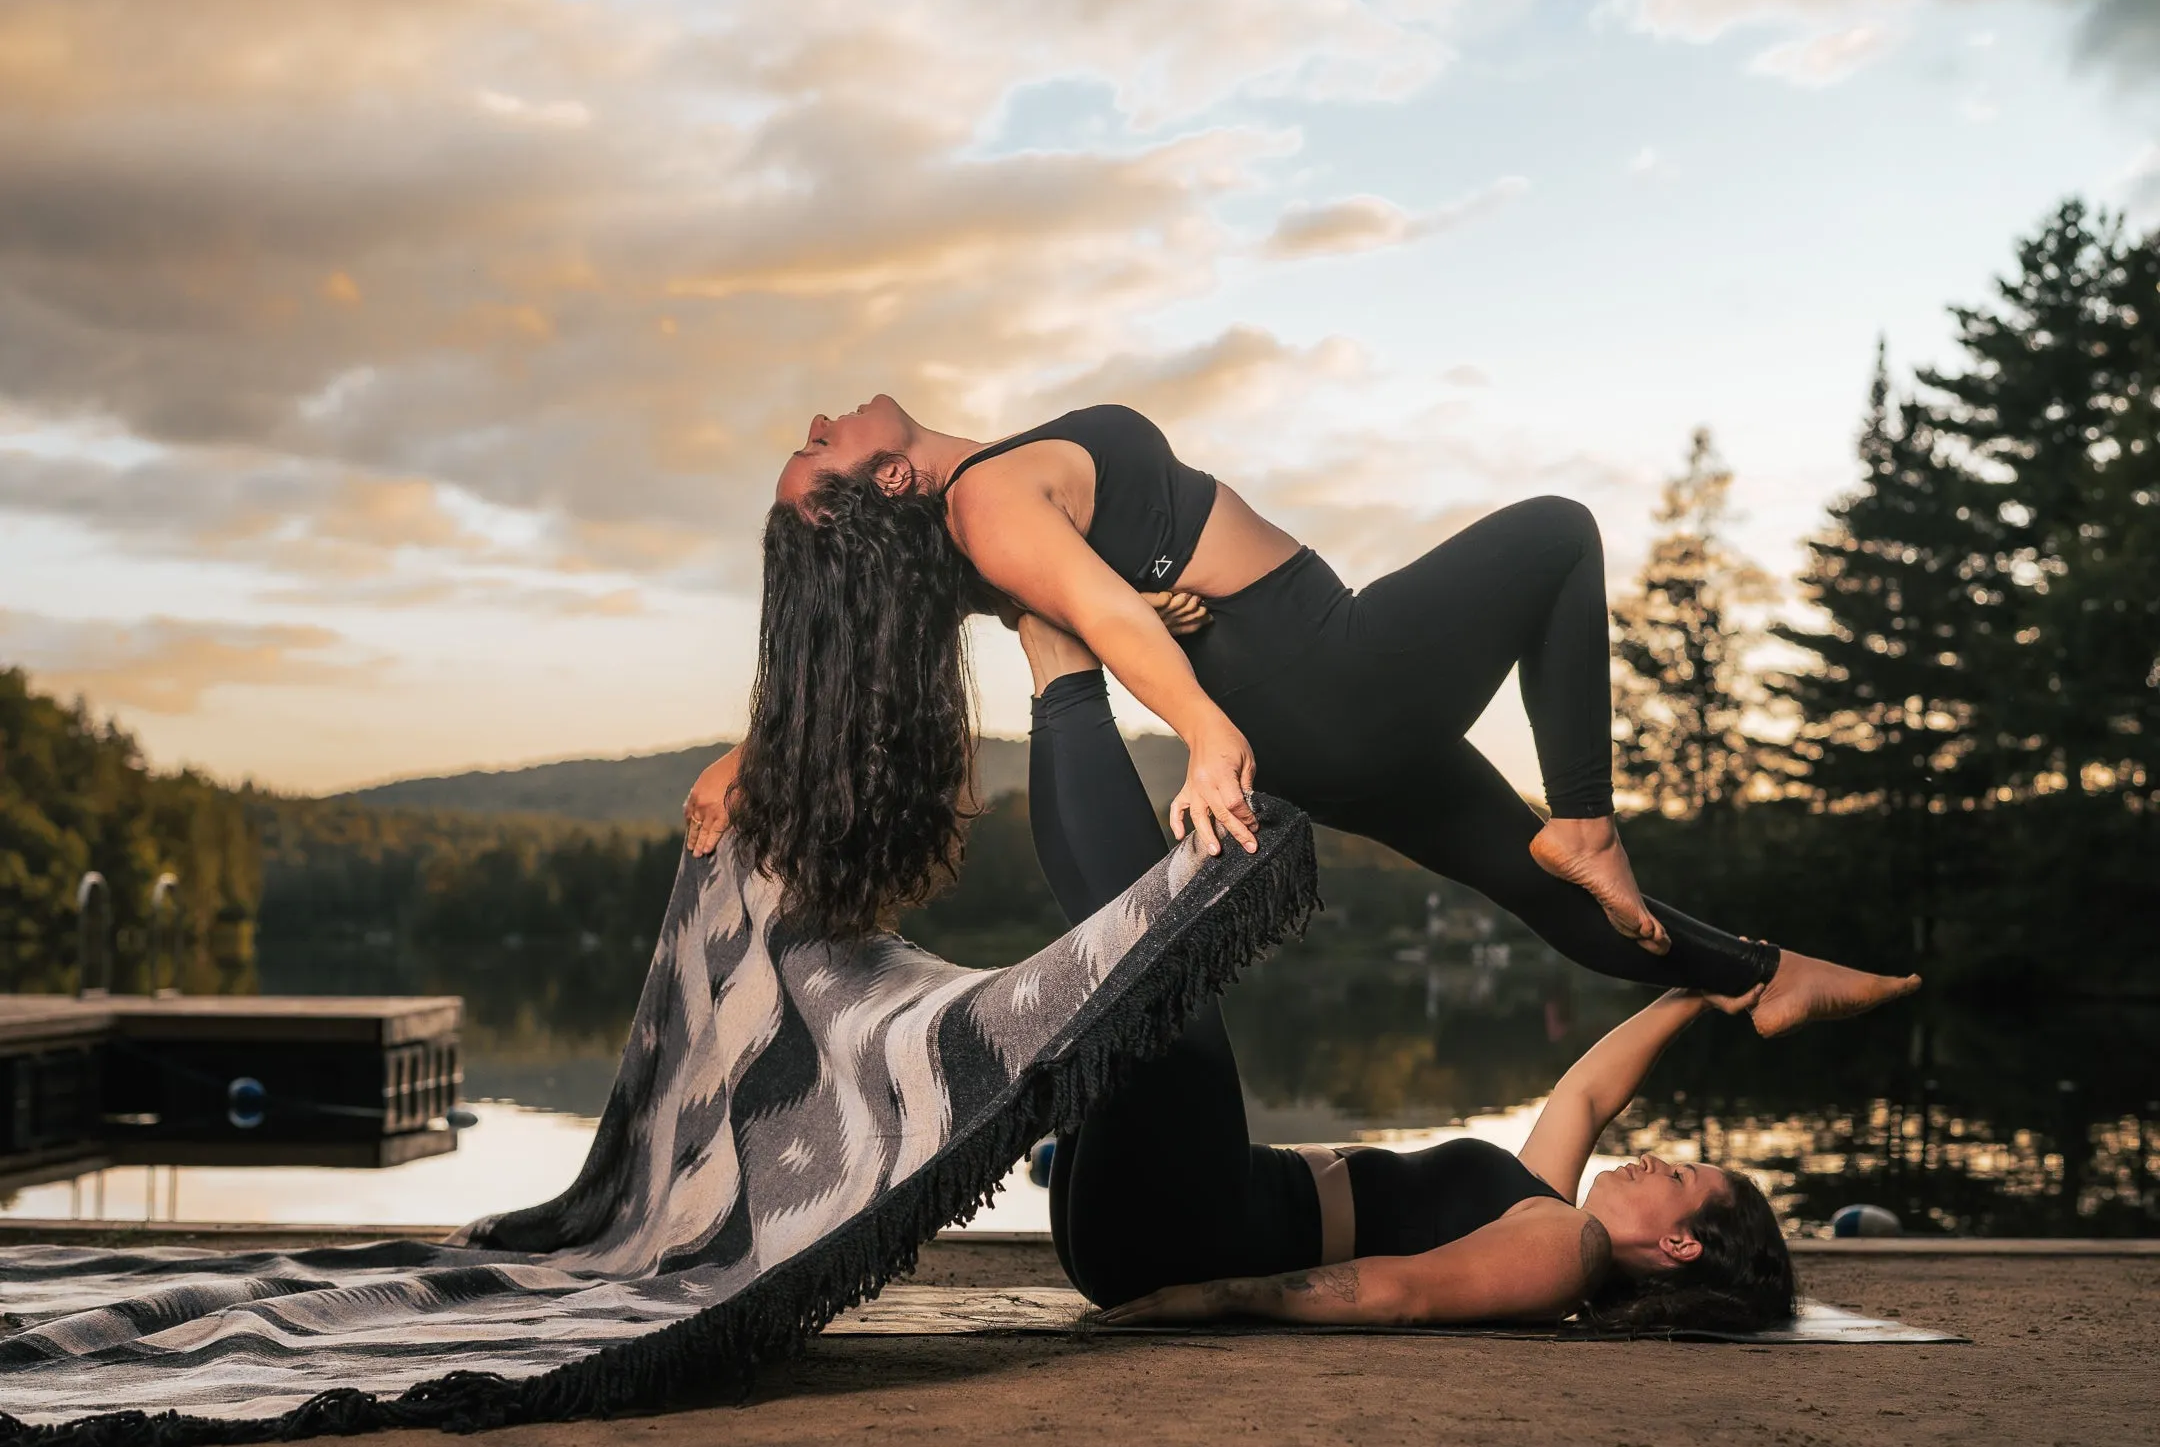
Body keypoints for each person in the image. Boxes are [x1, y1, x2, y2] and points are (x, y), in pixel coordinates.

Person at [685, 394, 1917, 1035]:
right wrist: (1212, 741)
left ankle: (1766, 977)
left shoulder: (979, 525)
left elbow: (873, 654)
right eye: (817, 455)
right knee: (1556, 538)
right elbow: (1113, 629)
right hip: (1327, 672)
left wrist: (762, 746)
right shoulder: (994, 502)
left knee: (1548, 898)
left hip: (1325, 717)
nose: (815, 427)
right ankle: (1588, 820)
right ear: (891, 478)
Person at [1015, 613, 1794, 1332]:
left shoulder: (1571, 1250)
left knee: (1160, 962)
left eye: (1686, 1177)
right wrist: (1702, 985)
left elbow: (1403, 1293)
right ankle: (1055, 658)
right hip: (1158, 1222)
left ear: (1682, 1245)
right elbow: (1588, 1093)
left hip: (1191, 1232)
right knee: (1117, 957)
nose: (1659, 1160)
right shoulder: (1539, 1206)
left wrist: (1214, 1298)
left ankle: (1063, 662)